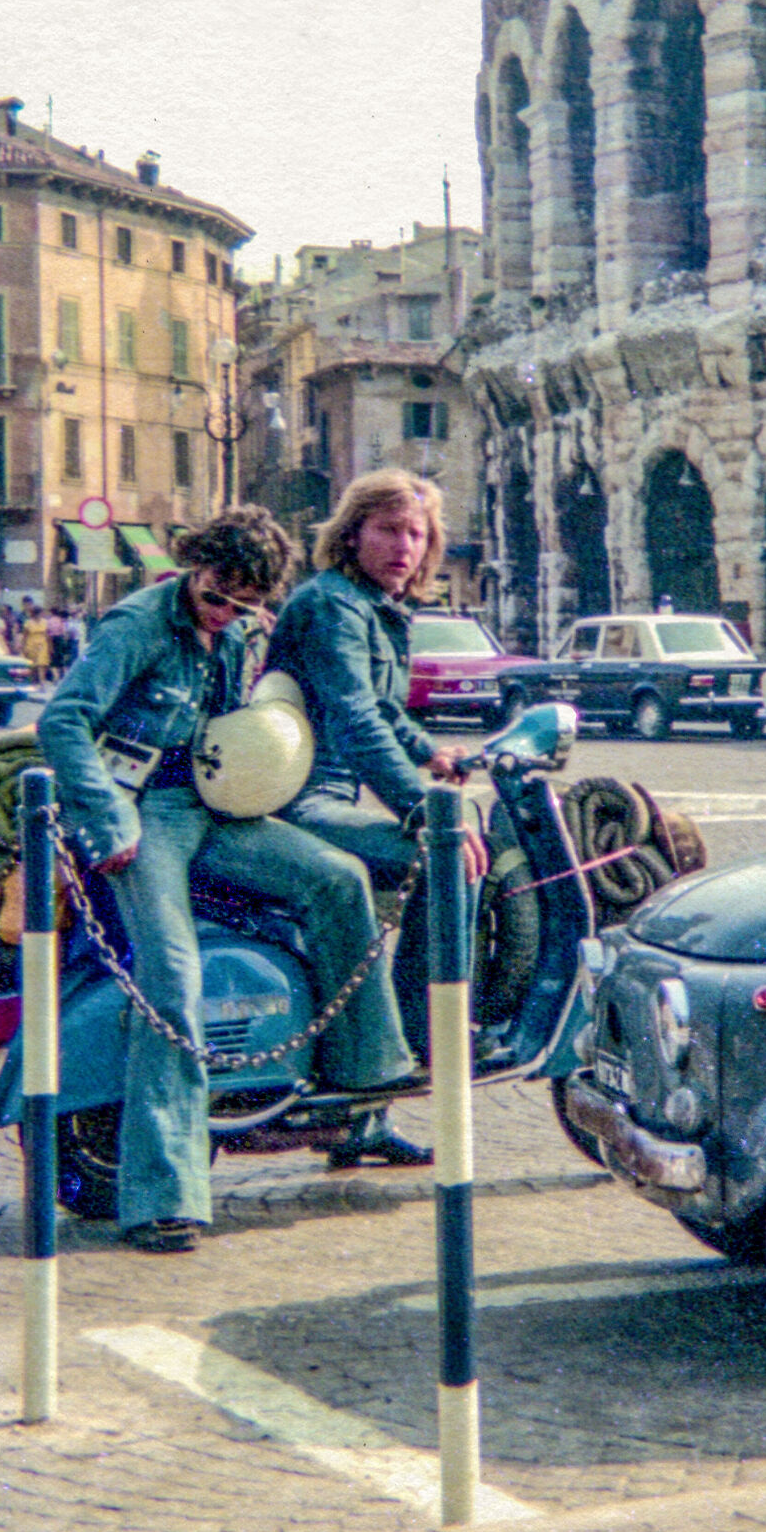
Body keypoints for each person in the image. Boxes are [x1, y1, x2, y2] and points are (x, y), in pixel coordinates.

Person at [36, 506, 415, 1253]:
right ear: (194, 566)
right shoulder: (136, 625)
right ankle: (160, 1200)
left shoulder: (239, 628)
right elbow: (64, 721)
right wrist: (110, 821)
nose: (225, 612)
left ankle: (361, 1082)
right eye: (217, 592)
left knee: (339, 878)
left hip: (217, 804)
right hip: (146, 813)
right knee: (172, 977)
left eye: (245, 602)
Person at [268, 470, 493, 1167]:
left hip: (327, 793)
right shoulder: (334, 605)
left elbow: (386, 709)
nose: (403, 545)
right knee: (444, 858)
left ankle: (363, 1122)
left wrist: (434, 754)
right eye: (388, 529)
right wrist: (426, 811)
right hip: (300, 800)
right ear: (353, 532)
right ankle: (421, 1033)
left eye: (416, 533)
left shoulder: (371, 605)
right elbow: (356, 716)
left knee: (446, 856)